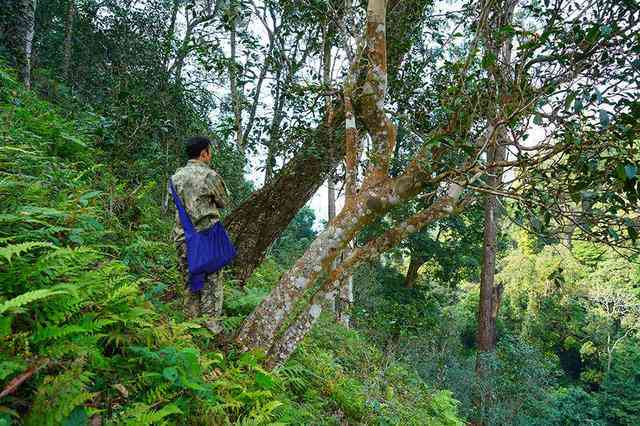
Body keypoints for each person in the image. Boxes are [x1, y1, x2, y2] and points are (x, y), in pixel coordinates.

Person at [171, 135, 229, 334]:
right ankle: (211, 331)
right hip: (207, 238)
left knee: (189, 282)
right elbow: (223, 201)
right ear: (204, 153)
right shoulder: (209, 176)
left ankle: (189, 330)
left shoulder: (175, 177)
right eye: (209, 151)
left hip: (183, 237)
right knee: (212, 285)